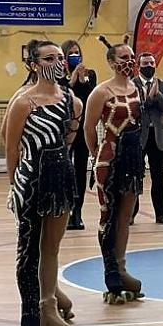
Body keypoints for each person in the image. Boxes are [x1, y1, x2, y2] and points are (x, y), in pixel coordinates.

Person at [6, 40, 82, 326]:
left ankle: (48, 306)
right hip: (31, 179)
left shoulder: (72, 101)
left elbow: (67, 141)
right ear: (35, 64)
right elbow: (12, 148)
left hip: (60, 176)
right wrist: (15, 184)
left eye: (60, 58)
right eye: (50, 58)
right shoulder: (24, 101)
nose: (59, 63)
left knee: (51, 247)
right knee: (29, 249)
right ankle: (31, 316)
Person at [84, 40, 146, 304]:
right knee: (108, 216)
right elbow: (88, 128)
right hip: (109, 159)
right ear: (111, 62)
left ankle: (121, 268)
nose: (129, 61)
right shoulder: (101, 92)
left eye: (131, 56)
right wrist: (97, 152)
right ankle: (110, 272)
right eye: (123, 57)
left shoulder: (136, 88)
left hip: (132, 161)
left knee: (125, 216)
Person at [131, 52, 163, 225]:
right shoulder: (131, 85)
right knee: (135, 175)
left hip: (158, 136)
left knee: (159, 177)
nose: (149, 66)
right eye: (145, 63)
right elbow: (133, 110)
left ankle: (161, 213)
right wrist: (148, 101)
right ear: (139, 66)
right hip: (138, 136)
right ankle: (131, 213)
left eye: (151, 63)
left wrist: (158, 96)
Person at [60, 39, 98, 230]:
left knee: (80, 171)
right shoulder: (59, 76)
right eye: (71, 53)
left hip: (82, 129)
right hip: (65, 130)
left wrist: (82, 79)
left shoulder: (90, 74)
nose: (75, 55)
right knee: (65, 169)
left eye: (77, 52)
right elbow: (62, 96)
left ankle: (78, 212)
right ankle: (64, 210)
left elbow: (92, 97)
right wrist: (72, 78)